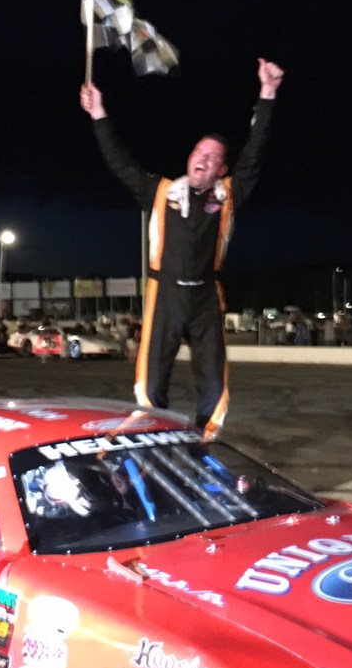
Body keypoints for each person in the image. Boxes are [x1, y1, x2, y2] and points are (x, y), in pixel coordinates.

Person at [79, 58, 284, 439]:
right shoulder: (159, 191)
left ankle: (206, 443)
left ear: (222, 169)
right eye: (197, 152)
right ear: (189, 158)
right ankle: (151, 439)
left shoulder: (228, 195)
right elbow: (119, 162)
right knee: (151, 378)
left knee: (213, 380)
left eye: (212, 157)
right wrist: (99, 114)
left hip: (206, 296)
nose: (201, 158)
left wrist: (267, 93)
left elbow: (254, 153)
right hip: (165, 292)